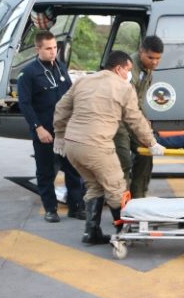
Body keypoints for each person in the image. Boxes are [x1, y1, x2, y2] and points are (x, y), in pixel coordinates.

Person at [53, 51, 165, 245]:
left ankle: (91, 233)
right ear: (118, 68)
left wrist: (60, 135)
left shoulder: (83, 81)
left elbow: (61, 108)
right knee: (117, 189)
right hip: (96, 146)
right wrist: (151, 142)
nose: (129, 74)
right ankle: (125, 233)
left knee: (95, 185)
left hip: (72, 146)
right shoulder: (123, 87)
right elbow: (135, 118)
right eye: (128, 70)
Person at [17, 30, 86, 223]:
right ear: (38, 49)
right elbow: (25, 103)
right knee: (46, 171)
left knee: (73, 170)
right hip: (45, 131)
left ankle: (75, 206)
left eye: (55, 47)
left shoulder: (60, 68)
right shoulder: (29, 73)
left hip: (65, 131)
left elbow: (70, 96)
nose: (53, 52)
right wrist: (38, 127)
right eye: (48, 48)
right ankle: (50, 209)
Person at [114, 36, 164, 198]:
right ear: (141, 51)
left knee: (146, 153)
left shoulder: (147, 69)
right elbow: (128, 103)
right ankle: (119, 200)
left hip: (133, 118)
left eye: (158, 58)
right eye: (151, 58)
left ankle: (139, 195)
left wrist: (144, 118)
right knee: (123, 162)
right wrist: (141, 120)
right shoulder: (129, 70)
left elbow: (139, 99)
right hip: (119, 120)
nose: (155, 62)